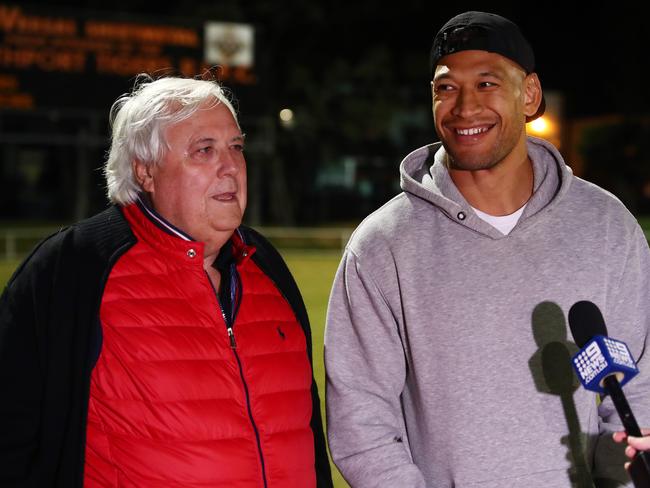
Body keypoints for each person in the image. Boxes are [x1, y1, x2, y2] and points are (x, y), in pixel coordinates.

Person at [324, 10, 650, 488]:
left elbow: (640, 382)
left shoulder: (607, 226)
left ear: (530, 95)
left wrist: (622, 472)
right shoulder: (381, 246)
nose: (463, 108)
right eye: (446, 88)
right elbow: (361, 424)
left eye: (486, 83)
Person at [0, 75, 332, 487]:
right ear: (146, 172)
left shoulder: (266, 265)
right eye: (205, 151)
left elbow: (308, 436)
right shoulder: (74, 268)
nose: (231, 167)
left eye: (236, 147)